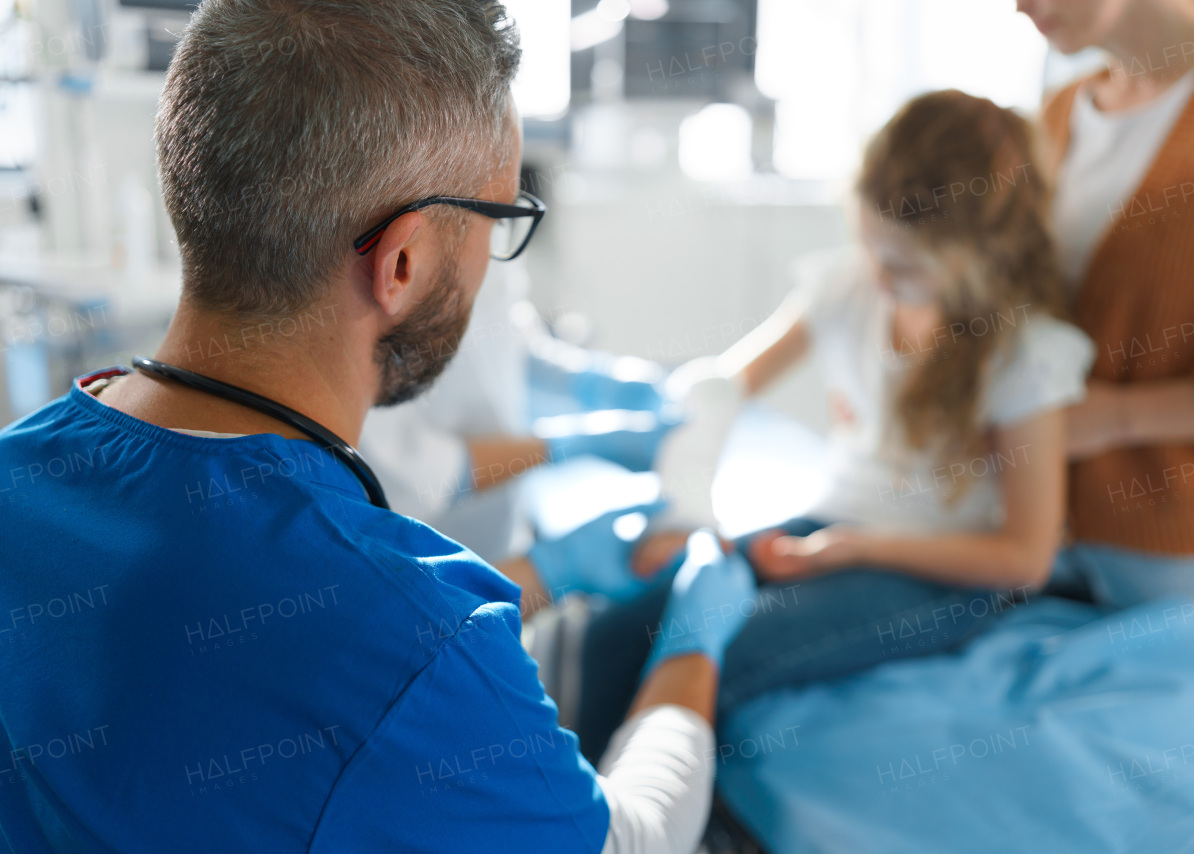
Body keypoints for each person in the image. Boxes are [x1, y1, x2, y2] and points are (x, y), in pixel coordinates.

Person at [0, 2, 756, 851]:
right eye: (498, 222)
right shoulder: (424, 654)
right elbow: (633, 841)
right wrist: (694, 635)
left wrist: (545, 571)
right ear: (400, 264)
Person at [574, 90, 1097, 761]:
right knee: (614, 635)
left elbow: (1026, 557)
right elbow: (717, 392)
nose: (878, 274)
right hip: (832, 528)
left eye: (904, 265)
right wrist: (688, 514)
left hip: (947, 573)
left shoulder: (1025, 358)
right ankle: (570, 816)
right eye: (870, 243)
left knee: (709, 657)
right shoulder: (849, 288)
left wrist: (856, 548)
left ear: (979, 256)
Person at [1017, 0, 1194, 663]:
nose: (1017, 5)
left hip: (1188, 553)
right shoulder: (1059, 113)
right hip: (1039, 537)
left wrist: (1110, 418)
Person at [359, 257, 675, 566]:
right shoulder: (367, 299)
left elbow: (506, 336)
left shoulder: (494, 229)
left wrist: (603, 383)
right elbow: (416, 474)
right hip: (429, 559)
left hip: (503, 541)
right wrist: (564, 446)